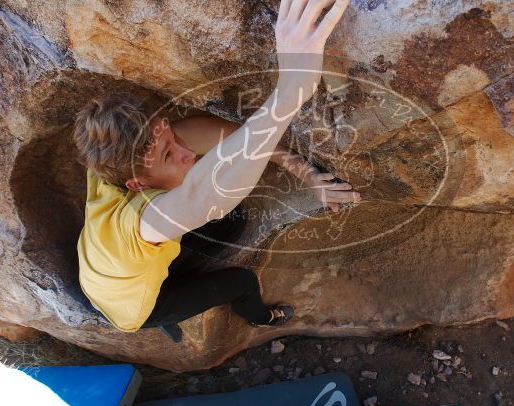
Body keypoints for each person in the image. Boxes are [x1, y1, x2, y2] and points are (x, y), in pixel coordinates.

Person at [73, 0, 358, 341]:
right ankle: (263, 318)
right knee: (241, 282)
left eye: (173, 137)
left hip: (106, 268)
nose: (186, 153)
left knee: (231, 223)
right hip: (130, 306)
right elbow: (204, 195)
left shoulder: (115, 162)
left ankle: (170, 269)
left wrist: (307, 173)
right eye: (169, 155)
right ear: (137, 185)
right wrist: (291, 90)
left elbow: (233, 138)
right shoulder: (139, 226)